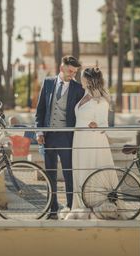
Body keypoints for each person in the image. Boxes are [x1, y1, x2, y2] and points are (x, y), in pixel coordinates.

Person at [35, 55, 84, 219]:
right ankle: (52, 209)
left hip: (66, 137)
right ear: (62, 67)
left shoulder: (78, 88)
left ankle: (70, 208)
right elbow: (40, 110)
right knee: (50, 175)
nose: (73, 74)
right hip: (48, 137)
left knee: (69, 174)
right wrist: (39, 131)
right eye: (71, 71)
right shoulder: (48, 83)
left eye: (75, 72)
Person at [64, 67, 114, 220]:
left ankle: (93, 205)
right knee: (80, 170)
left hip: (92, 142)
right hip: (79, 140)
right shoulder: (84, 95)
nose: (81, 79)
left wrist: (96, 125)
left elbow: (104, 125)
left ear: (89, 79)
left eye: (83, 77)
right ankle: (80, 205)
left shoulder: (100, 100)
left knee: (91, 170)